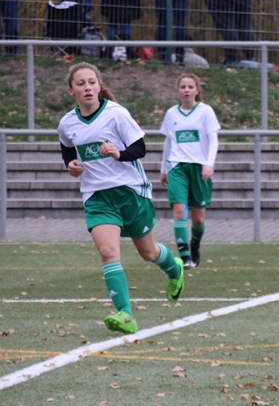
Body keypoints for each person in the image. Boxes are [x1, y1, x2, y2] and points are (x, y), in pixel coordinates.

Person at [58, 63, 184, 335]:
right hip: (97, 196)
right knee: (107, 252)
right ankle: (125, 313)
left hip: (131, 191)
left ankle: (175, 269)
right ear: (71, 91)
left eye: (92, 82)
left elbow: (140, 148)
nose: (87, 87)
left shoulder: (116, 114)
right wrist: (71, 165)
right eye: (81, 83)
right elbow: (67, 149)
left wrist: (119, 154)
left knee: (148, 253)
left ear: (99, 86)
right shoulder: (67, 123)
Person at [159, 73, 220, 269]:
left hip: (199, 167)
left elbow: (213, 140)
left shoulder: (206, 111)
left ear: (197, 90)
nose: (186, 90)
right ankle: (184, 256)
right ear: (178, 90)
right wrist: (163, 169)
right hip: (177, 166)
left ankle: (194, 245)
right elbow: (168, 142)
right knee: (179, 212)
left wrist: (209, 164)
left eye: (190, 87)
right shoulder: (171, 114)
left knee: (199, 219)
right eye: (183, 87)